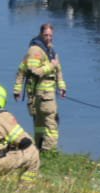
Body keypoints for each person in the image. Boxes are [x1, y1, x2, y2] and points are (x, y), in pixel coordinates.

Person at [13, 22, 66, 153]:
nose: (49, 38)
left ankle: (40, 148)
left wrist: (62, 86)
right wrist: (51, 65)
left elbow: (58, 70)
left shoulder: (51, 50)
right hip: (42, 94)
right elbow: (33, 71)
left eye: (51, 35)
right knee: (51, 122)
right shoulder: (35, 51)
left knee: (40, 123)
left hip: (48, 92)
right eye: (46, 35)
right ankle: (49, 152)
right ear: (41, 34)